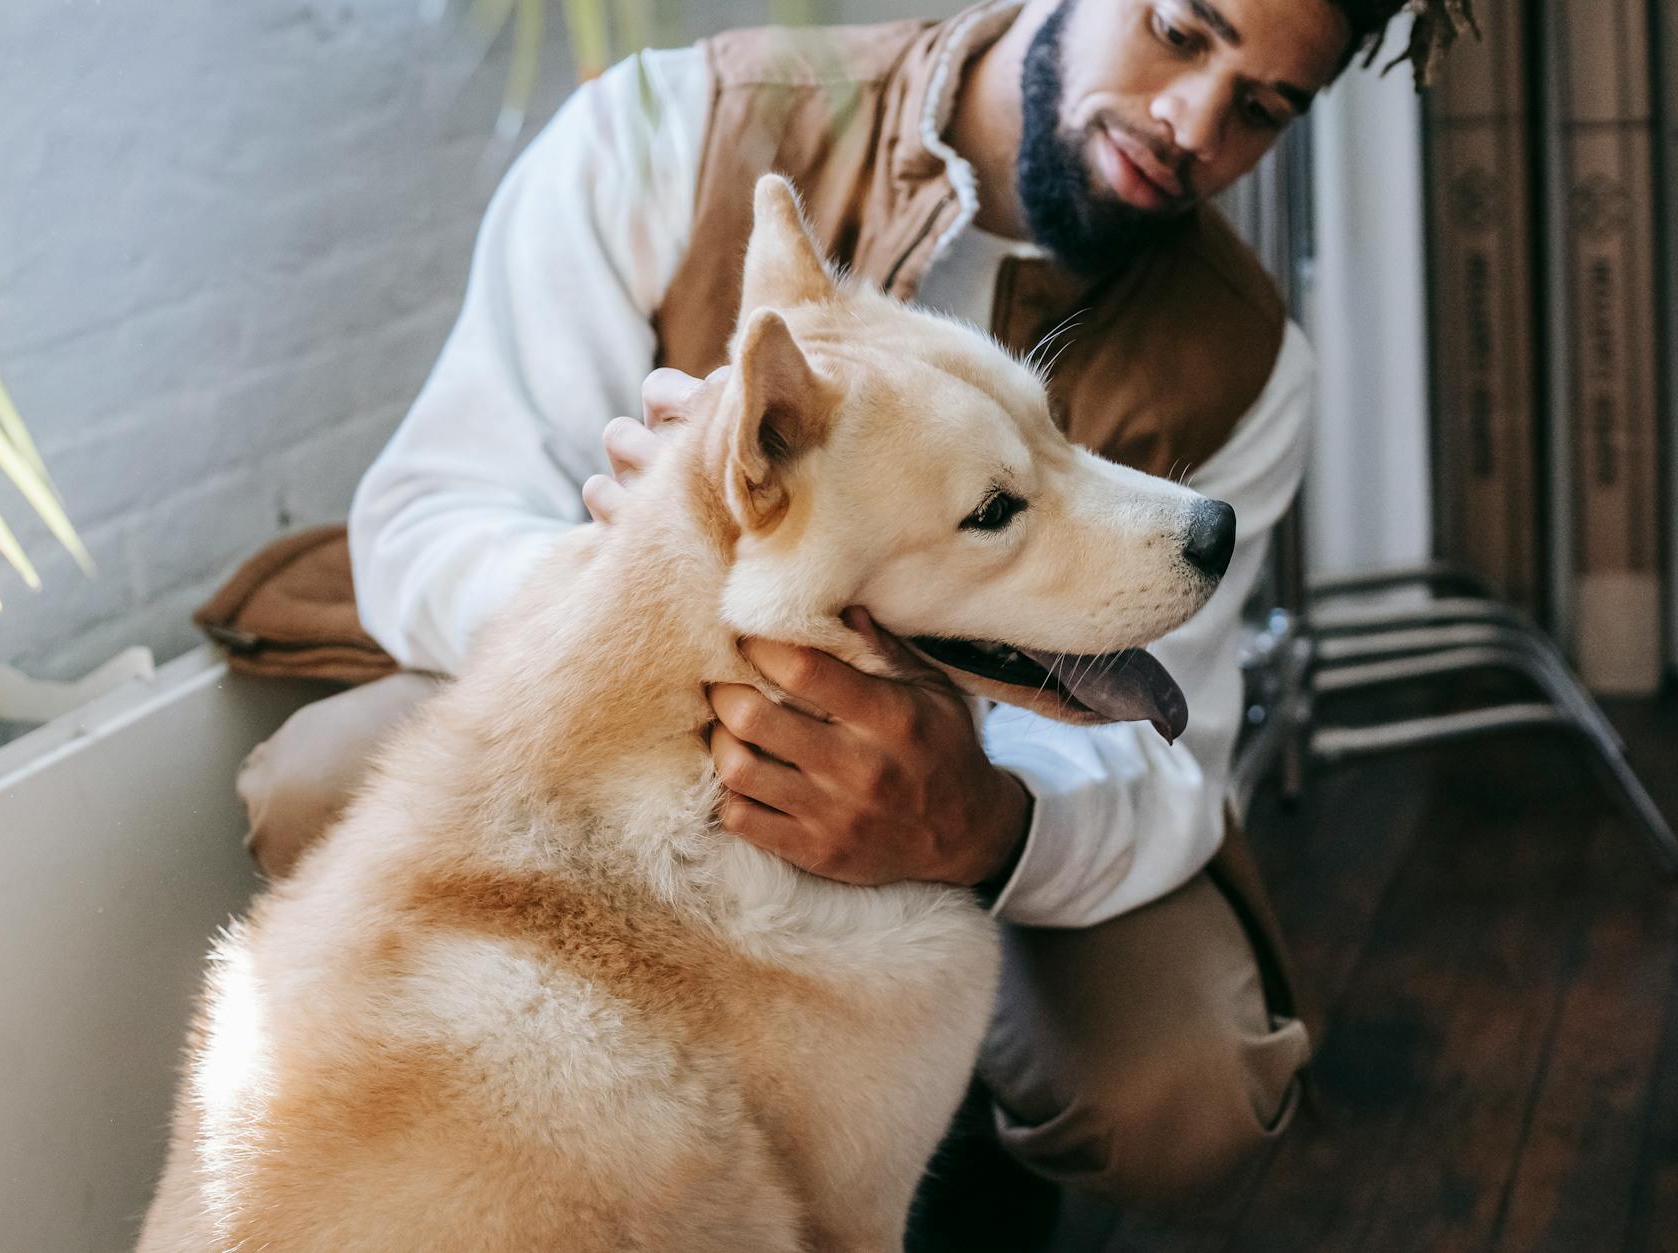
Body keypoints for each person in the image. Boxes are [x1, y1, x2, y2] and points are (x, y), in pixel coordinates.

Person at [231, 0, 1473, 1243]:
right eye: (1180, 31)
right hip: (620, 711)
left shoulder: (1245, 359)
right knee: (320, 785)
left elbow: (1166, 760)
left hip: (983, 788)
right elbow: (429, 513)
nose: (1191, 123)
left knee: (1182, 1091)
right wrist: (663, 573)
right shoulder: (668, 129)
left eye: (1261, 106)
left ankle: (930, 1149)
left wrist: (975, 817)